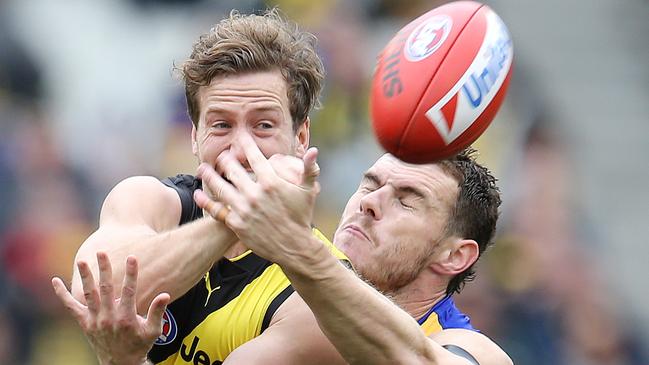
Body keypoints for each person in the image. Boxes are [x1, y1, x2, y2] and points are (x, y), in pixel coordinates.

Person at [53, 9, 350, 365]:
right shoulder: (146, 200)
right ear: (195, 137)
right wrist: (236, 219)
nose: (241, 149)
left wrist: (124, 361)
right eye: (222, 126)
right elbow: (100, 297)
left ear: (301, 138)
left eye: (264, 126)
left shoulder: (319, 297)